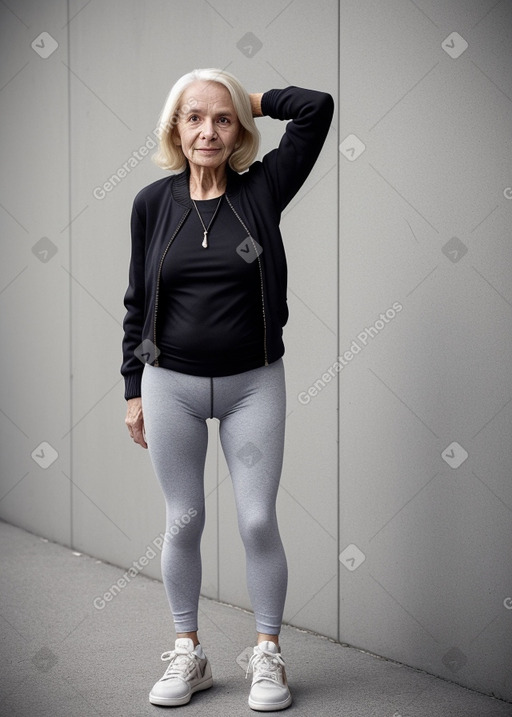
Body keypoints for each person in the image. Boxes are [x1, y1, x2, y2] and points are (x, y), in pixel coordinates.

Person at [121, 68, 333, 711]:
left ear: (239, 127)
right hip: (170, 385)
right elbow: (137, 301)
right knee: (182, 521)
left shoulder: (264, 189)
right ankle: (190, 656)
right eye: (194, 117)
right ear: (175, 129)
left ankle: (267, 656)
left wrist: (252, 96)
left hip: (252, 384)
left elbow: (317, 109)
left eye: (223, 118)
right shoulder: (152, 203)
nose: (208, 131)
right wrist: (133, 386)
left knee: (256, 518)